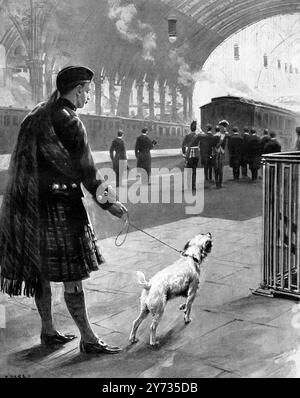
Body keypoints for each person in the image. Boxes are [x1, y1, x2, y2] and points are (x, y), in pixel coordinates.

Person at [0, 65, 128, 355]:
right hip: (63, 210)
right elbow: (90, 173)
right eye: (87, 92)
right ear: (79, 89)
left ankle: (48, 330)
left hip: (33, 210)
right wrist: (111, 203)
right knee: (73, 275)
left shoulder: (36, 115)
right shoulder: (71, 122)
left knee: (40, 271)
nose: (88, 98)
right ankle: (88, 338)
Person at [182, 120, 200, 191]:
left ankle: (188, 186)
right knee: (194, 170)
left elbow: (183, 145)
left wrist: (184, 153)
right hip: (196, 154)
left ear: (190, 128)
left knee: (189, 170)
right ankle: (194, 186)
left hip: (189, 154)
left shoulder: (187, 136)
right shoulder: (198, 136)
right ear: (195, 128)